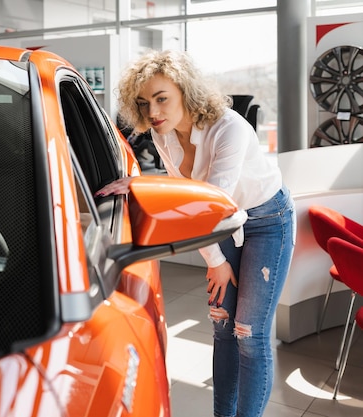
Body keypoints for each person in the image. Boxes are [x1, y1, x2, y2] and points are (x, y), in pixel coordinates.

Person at [96, 49, 296, 417]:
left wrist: (145, 187)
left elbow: (210, 202)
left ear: (185, 92)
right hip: (220, 221)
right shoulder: (163, 135)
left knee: (248, 334)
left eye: (161, 99)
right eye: (143, 104)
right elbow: (194, 203)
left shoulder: (229, 128)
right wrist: (216, 262)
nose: (152, 112)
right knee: (222, 330)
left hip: (267, 220)